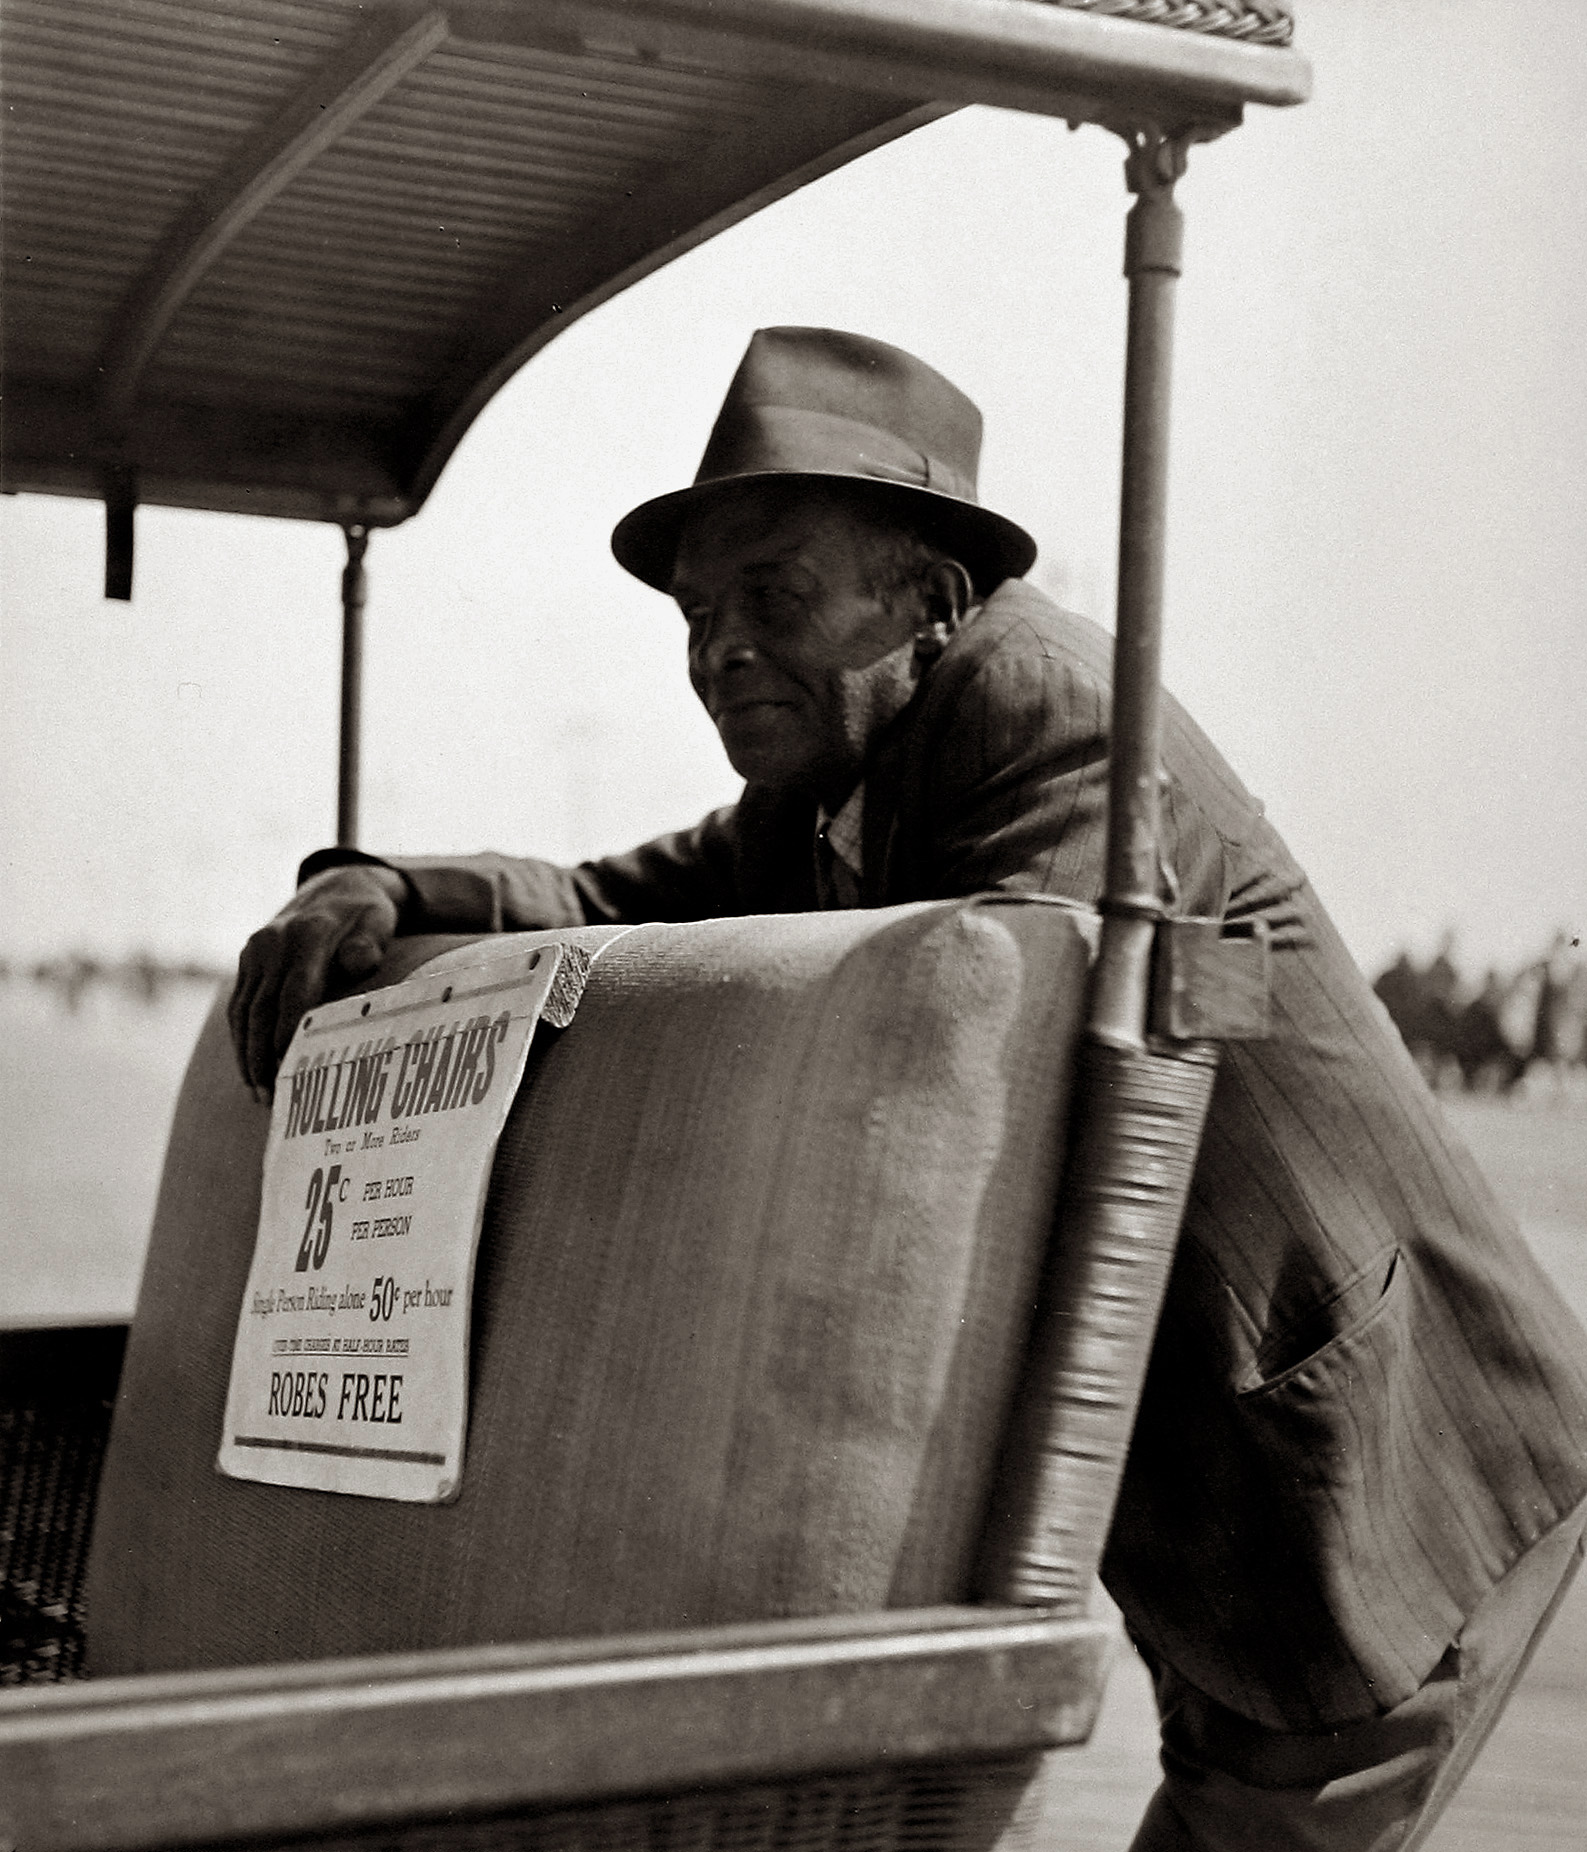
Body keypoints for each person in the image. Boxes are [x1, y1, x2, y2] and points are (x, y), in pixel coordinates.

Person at [230, 327, 1587, 1851]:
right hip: (1230, 1503)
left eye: (773, 596)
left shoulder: (1044, 707)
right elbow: (613, 895)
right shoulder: (832, 788)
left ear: (932, 600)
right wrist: (381, 880)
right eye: (696, 613)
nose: (717, 648)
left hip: (1381, 1472)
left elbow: (974, 1115)